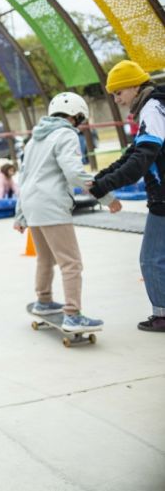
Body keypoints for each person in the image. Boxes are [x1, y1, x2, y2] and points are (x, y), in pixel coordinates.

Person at [14, 92, 119, 332]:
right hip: (50, 206)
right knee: (71, 263)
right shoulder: (66, 134)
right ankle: (72, 314)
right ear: (76, 116)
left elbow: (25, 177)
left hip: (32, 205)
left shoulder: (34, 139)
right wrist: (106, 197)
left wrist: (20, 214)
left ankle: (44, 301)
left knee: (46, 258)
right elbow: (73, 172)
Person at [87, 60, 165, 332]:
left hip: (163, 200)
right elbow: (133, 153)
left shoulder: (152, 109)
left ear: (134, 86)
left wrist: (103, 186)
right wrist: (102, 178)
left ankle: (162, 316)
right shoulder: (153, 107)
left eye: (119, 92)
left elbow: (141, 161)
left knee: (151, 259)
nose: (117, 99)